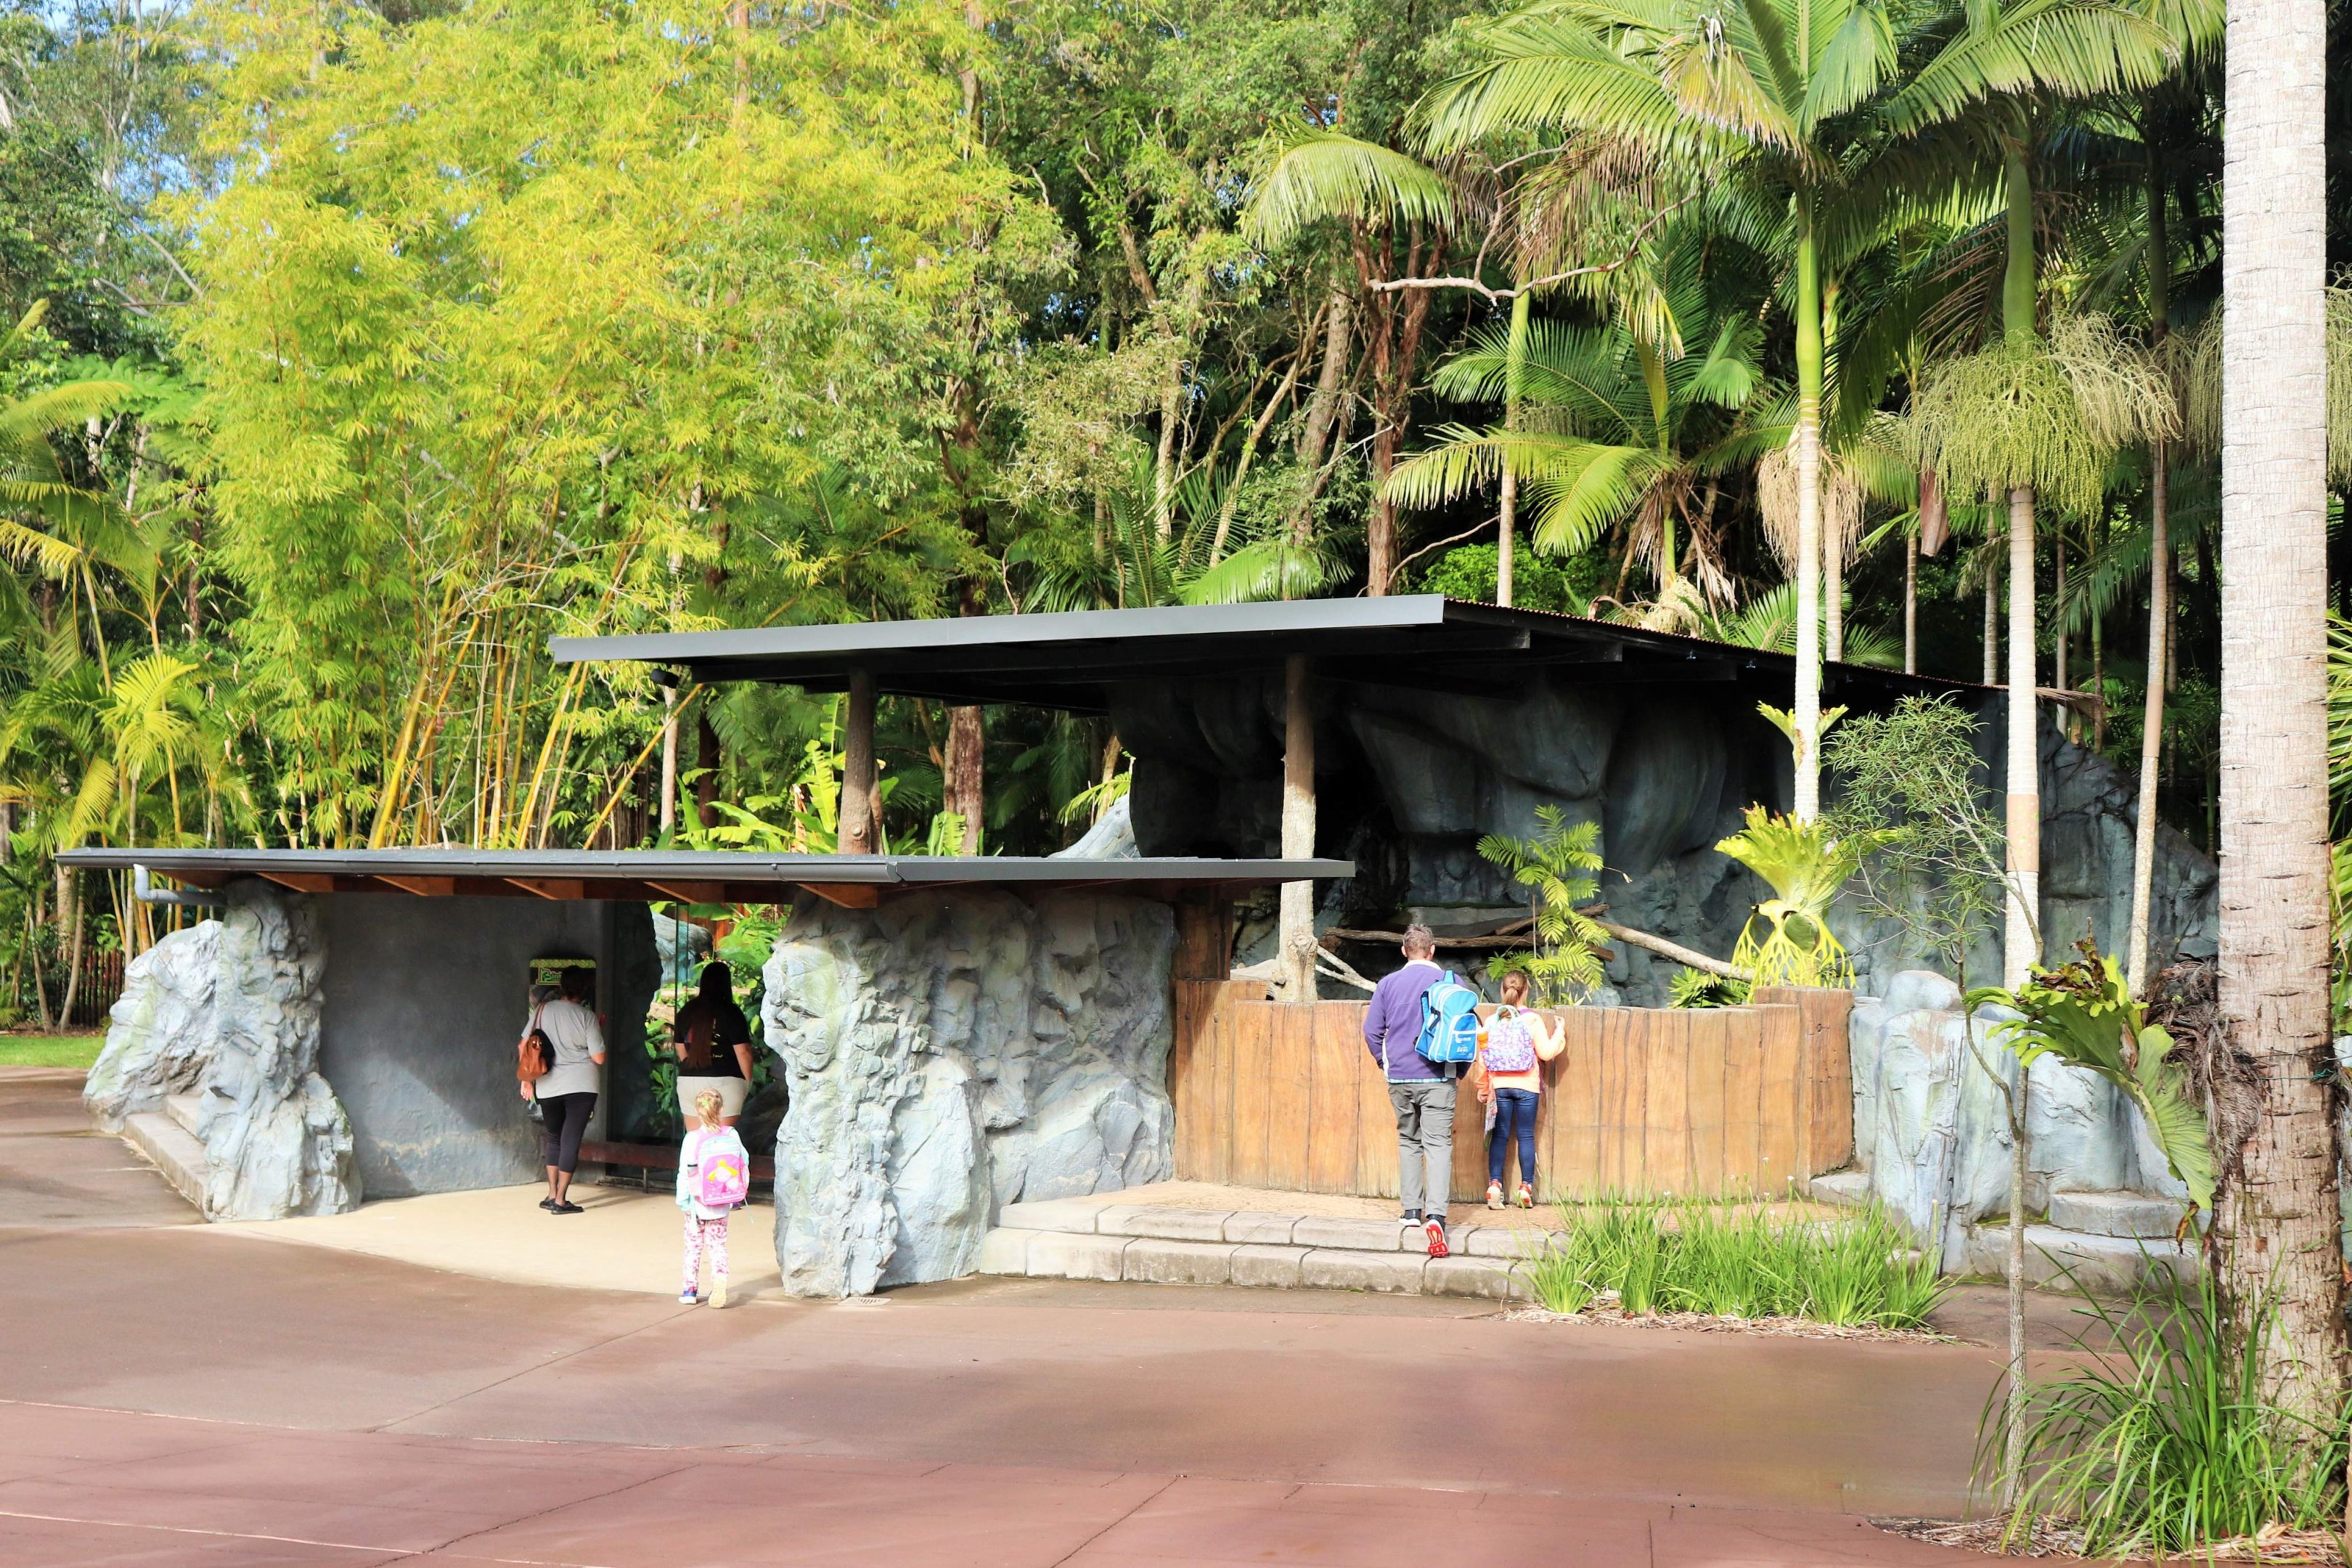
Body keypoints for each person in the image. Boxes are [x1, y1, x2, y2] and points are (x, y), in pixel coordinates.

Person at [1361, 923, 1462, 1257]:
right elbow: (1465, 1031)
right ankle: (1437, 1216)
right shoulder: (1450, 982)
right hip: (1439, 1076)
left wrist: (1384, 1062)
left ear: (1404, 951)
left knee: (1408, 1139)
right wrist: (1459, 1070)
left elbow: (1372, 1031)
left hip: (1400, 1076)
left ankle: (1411, 1212)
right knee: (1438, 1144)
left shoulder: (1388, 984)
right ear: (1432, 950)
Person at [1474, 970, 1564, 1209]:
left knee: (1499, 1135)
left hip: (1499, 1086)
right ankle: (1525, 1187)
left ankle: (1495, 1185)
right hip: (1527, 1086)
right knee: (1526, 1136)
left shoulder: (1491, 1021)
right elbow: (1546, 1053)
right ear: (1526, 991)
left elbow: (1483, 1059)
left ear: (1502, 990)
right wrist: (1560, 1032)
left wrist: (1483, 1087)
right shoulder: (1532, 1020)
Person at [523, 965, 605, 1214]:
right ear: (585, 990)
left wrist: (526, 1080)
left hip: (548, 1085)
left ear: (561, 986)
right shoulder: (587, 1017)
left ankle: (551, 1195)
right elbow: (599, 1058)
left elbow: (523, 1044)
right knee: (571, 1139)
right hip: (581, 1085)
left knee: (554, 1137)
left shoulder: (542, 1009)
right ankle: (561, 1201)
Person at [677, 1087, 750, 1307]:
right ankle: (719, 1279)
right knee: (718, 1245)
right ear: (721, 1110)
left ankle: (690, 1290)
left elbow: (684, 1173)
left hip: (696, 1204)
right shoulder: (731, 1134)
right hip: (721, 1201)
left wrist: (682, 1201)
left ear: (697, 1111)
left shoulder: (692, 1138)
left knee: (693, 1246)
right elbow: (744, 1161)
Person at [668, 960, 755, 1127]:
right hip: (726, 1081)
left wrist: (692, 1066)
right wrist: (745, 1083)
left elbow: (680, 1048)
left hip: (690, 1081)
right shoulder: (731, 1012)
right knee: (722, 1138)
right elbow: (743, 1052)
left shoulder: (687, 1011)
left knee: (696, 1138)